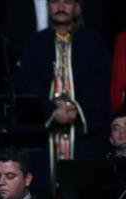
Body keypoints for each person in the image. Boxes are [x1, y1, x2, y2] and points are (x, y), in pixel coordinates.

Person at [19, 0, 111, 161]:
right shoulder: (34, 44)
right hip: (44, 136)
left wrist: (76, 110)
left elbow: (101, 85)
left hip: (84, 135)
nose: (61, 8)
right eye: (55, 2)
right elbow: (27, 85)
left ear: (77, 7)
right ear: (47, 7)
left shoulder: (94, 42)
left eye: (67, 2)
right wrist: (52, 111)